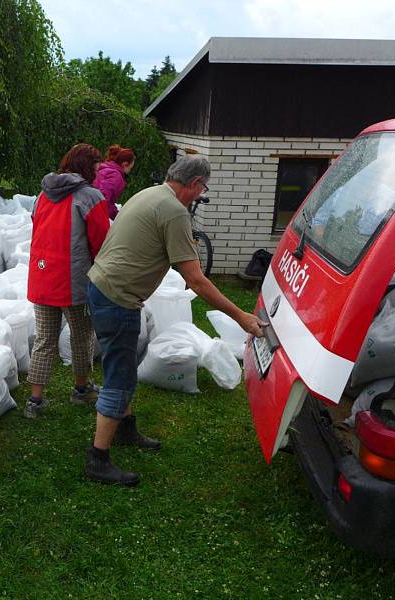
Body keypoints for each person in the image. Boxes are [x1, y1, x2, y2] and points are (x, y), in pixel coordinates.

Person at [85, 155, 266, 486]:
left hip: (102, 286)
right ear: (195, 184)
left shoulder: (150, 193)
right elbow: (196, 281)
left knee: (126, 361)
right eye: (203, 188)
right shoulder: (174, 212)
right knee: (120, 377)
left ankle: (124, 429)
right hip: (117, 298)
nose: (201, 194)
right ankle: (97, 459)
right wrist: (241, 316)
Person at [24, 143, 111, 419]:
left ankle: (35, 401)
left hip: (41, 277)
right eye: (96, 168)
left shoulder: (42, 194)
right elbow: (101, 242)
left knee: (45, 338)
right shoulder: (91, 197)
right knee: (82, 333)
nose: (98, 173)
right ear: (87, 168)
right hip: (75, 282)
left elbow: (36, 228)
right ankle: (81, 389)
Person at [92, 144, 136, 220]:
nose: (129, 171)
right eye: (130, 168)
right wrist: (116, 215)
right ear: (125, 164)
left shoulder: (104, 168)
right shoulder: (116, 176)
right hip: (95, 213)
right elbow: (104, 198)